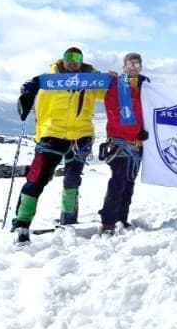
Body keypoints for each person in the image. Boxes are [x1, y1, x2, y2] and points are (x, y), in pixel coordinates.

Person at [12, 47, 107, 244]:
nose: (73, 61)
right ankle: (22, 223)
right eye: (69, 57)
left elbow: (109, 93)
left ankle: (69, 220)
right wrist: (27, 91)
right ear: (62, 60)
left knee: (72, 180)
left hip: (80, 136)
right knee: (37, 177)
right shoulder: (48, 79)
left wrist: (115, 80)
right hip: (51, 134)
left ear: (82, 61)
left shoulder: (92, 80)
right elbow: (30, 88)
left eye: (77, 58)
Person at [98, 52, 149, 235]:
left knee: (129, 182)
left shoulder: (146, 86)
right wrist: (137, 130)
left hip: (138, 144)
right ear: (124, 66)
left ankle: (122, 218)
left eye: (137, 64)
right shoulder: (116, 85)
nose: (134, 67)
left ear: (141, 67)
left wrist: (144, 130)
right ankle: (108, 222)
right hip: (119, 141)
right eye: (130, 64)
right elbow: (114, 112)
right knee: (118, 182)